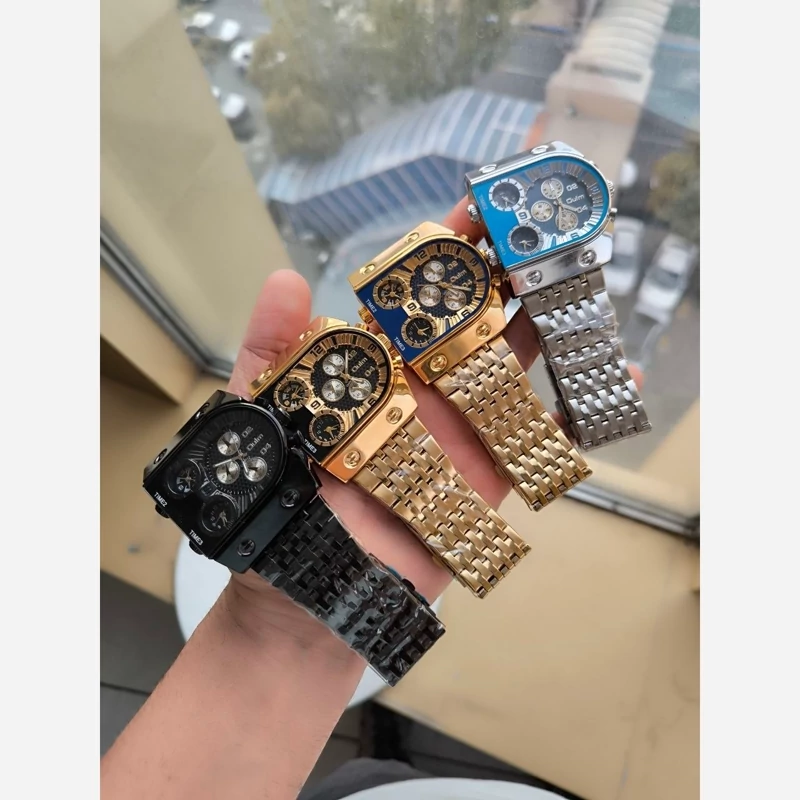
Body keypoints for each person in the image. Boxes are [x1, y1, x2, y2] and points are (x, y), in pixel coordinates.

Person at [100, 198, 642, 799]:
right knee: (373, 776)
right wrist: (280, 626)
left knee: (369, 776)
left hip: (377, 416)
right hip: (351, 444)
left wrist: (278, 633)